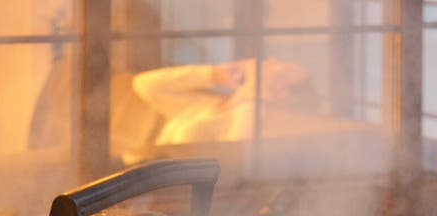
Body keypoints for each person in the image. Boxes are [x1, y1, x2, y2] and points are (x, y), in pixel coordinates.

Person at [132, 57, 319, 144]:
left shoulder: (249, 116)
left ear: (281, 94)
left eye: (284, 69)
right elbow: (144, 85)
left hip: (163, 201)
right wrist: (212, 75)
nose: (271, 60)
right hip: (139, 182)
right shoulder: (214, 105)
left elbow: (234, 163)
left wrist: (251, 97)